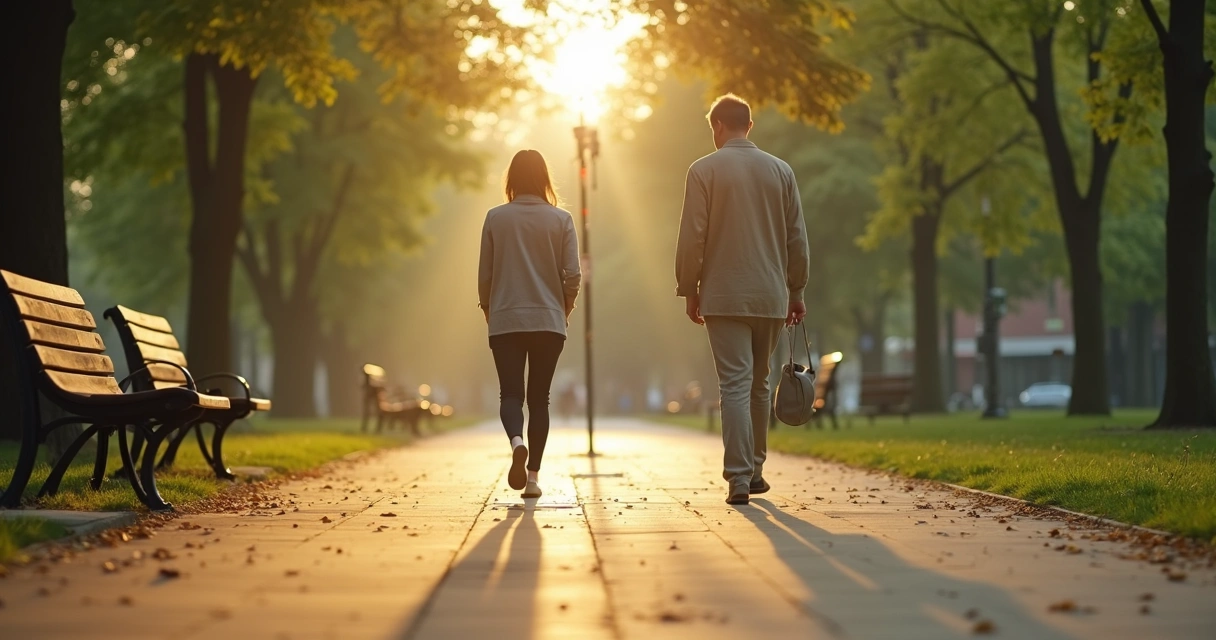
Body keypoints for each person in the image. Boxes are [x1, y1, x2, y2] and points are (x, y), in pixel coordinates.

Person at [674, 94, 810, 505]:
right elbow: (796, 238)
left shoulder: (702, 171)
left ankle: (737, 477)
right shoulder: (781, 171)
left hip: (722, 293)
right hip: (770, 294)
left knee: (733, 384)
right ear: (749, 126)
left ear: (716, 127)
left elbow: (692, 237)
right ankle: (755, 471)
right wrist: (797, 290)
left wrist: (689, 288)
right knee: (759, 384)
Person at [478, 149, 581, 499]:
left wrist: (489, 310)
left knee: (510, 394)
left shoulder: (495, 218)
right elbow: (573, 274)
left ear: (511, 179)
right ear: (544, 179)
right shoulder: (561, 219)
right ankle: (533, 478)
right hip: (548, 321)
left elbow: (485, 275)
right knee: (540, 400)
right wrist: (564, 308)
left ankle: (516, 441)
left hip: (505, 318)